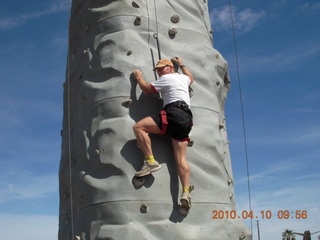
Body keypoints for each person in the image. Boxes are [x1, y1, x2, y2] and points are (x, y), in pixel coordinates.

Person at [132, 56, 194, 209]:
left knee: (138, 127)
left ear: (170, 68)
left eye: (161, 69)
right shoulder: (183, 78)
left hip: (173, 113)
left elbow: (147, 89)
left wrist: (139, 78)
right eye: (157, 70)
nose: (159, 72)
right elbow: (191, 78)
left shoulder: (167, 79)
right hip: (186, 118)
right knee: (181, 159)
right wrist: (182, 64)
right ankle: (186, 192)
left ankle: (150, 161)